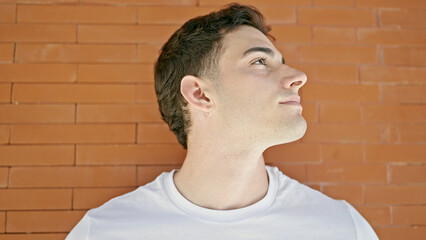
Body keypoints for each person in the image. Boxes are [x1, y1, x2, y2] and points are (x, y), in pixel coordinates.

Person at [66, 3, 379, 239]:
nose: (299, 76)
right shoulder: (105, 232)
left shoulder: (342, 228)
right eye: (259, 61)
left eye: (280, 62)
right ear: (200, 94)